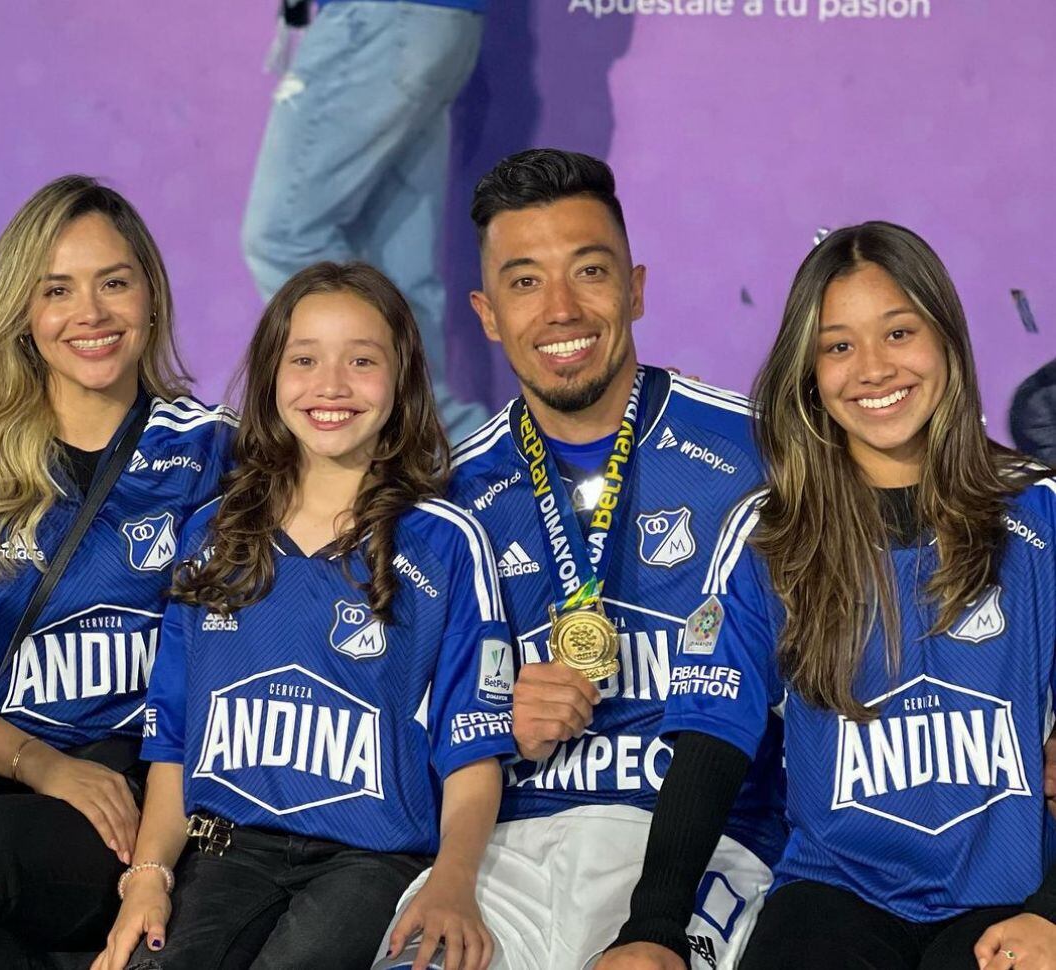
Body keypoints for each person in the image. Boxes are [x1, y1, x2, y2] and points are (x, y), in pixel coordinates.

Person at [599, 222, 1056, 970]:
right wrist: (650, 929)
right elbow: (712, 741)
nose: (871, 368)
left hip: (1006, 899)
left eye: (898, 332)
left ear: (945, 338)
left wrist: (1051, 914)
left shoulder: (1035, 512)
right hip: (835, 894)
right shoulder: (770, 533)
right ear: (807, 373)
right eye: (837, 346)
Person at [377, 149, 786, 970]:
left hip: (715, 844)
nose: (560, 309)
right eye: (524, 282)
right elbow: (387, 745)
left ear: (634, 288)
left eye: (588, 272)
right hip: (508, 847)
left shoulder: (764, 454)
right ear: (486, 314)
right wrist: (496, 731)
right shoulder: (444, 501)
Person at [93, 261, 514, 970]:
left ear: (403, 378)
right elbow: (172, 743)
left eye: (361, 360)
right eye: (305, 359)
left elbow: (473, 750)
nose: (331, 386)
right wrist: (148, 878)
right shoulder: (212, 537)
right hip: (223, 848)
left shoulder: (444, 542)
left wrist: (451, 880)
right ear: (270, 375)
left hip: (369, 861)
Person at [0, 175, 237, 969]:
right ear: (25, 313)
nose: (92, 315)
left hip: (122, 793)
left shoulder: (219, 452)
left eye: (114, 282)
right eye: (58, 290)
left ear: (151, 294)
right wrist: (36, 763)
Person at [240, 0, 490, 442]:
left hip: (379, 18)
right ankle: (467, 461)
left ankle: (427, 438)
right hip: (435, 21)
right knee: (396, 271)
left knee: (283, 237)